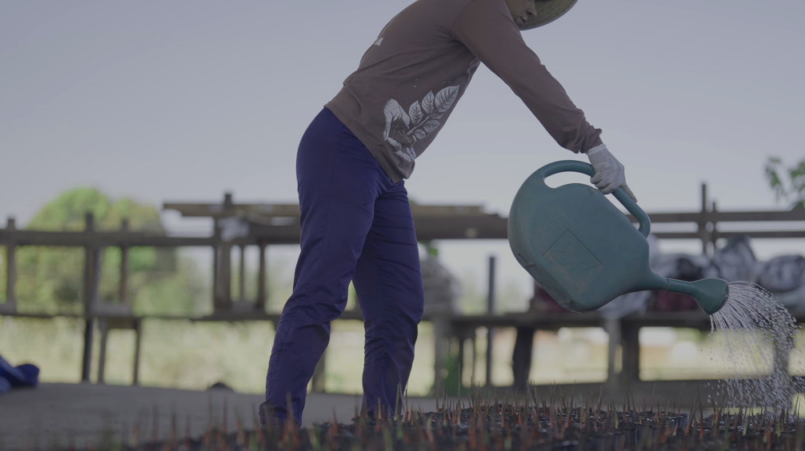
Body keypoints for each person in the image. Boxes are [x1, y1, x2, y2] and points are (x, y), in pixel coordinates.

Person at [261, 0, 632, 427]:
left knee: (399, 306)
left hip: (387, 172)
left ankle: (378, 427)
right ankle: (279, 424)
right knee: (323, 286)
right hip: (344, 147)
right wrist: (591, 143)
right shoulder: (476, 4)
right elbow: (528, 76)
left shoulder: (478, 17)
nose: (534, 10)